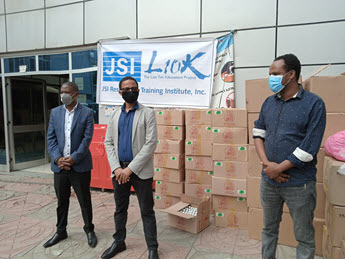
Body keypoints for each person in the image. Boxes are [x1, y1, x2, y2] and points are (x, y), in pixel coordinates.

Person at [253, 54, 326, 259]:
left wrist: (279, 168)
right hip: (269, 181)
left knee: (303, 236)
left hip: (299, 184)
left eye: (275, 74)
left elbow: (309, 147)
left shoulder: (314, 104)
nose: (271, 78)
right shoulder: (268, 103)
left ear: (291, 74)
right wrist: (268, 166)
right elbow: (258, 134)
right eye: (270, 74)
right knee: (268, 230)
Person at [102, 76, 159, 259]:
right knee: (120, 209)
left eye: (133, 88)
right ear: (120, 92)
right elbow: (108, 143)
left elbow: (150, 144)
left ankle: (152, 248)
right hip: (119, 171)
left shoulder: (148, 113)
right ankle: (119, 242)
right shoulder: (114, 114)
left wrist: (130, 170)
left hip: (140, 172)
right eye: (126, 89)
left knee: (147, 211)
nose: (130, 91)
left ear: (138, 90)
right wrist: (117, 168)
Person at [45, 81, 97, 248]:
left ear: (75, 94)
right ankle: (61, 231)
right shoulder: (55, 113)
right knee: (62, 201)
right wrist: (57, 158)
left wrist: (74, 158)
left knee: (84, 200)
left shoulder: (87, 113)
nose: (63, 95)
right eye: (61, 91)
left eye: (66, 92)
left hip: (79, 166)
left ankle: (89, 230)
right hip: (59, 167)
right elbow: (51, 138)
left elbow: (86, 139)